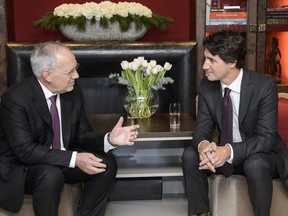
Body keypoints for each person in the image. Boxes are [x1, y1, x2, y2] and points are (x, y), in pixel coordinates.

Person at [0, 41, 139, 216]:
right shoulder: (15, 99)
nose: (77, 76)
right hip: (24, 168)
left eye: (76, 68)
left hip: (61, 159)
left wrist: (109, 139)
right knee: (50, 175)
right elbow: (25, 151)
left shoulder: (72, 92)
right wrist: (74, 158)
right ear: (47, 75)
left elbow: (82, 136)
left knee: (106, 164)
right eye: (70, 71)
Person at [181, 30, 288, 216]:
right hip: (225, 155)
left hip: (262, 155)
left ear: (232, 62)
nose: (205, 66)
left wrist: (228, 151)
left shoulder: (264, 86)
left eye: (212, 60)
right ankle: (201, 213)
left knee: (255, 163)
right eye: (205, 58)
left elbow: (266, 139)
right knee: (190, 155)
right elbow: (202, 129)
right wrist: (204, 146)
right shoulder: (207, 86)